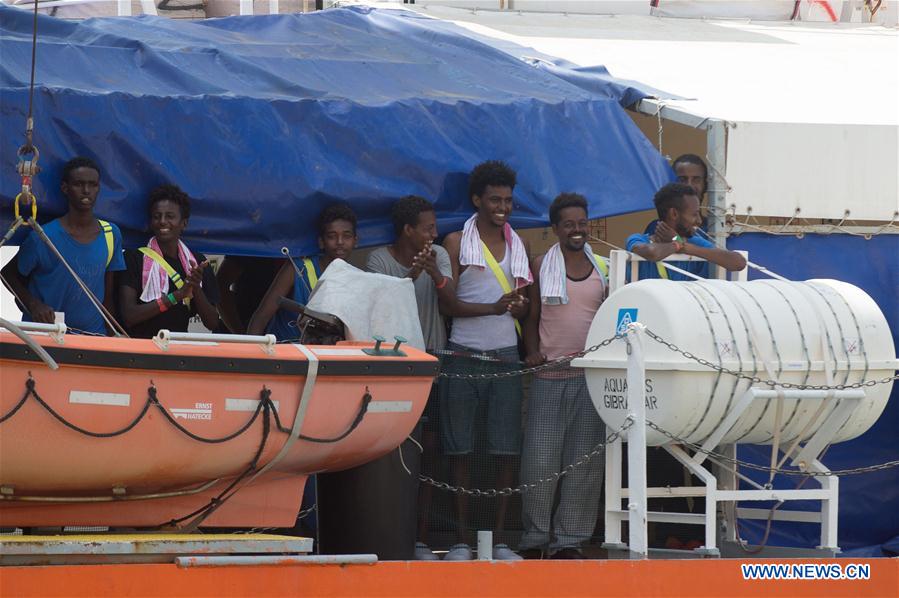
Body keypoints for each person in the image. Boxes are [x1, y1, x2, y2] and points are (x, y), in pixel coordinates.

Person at [439, 160, 532, 561]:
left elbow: (528, 309)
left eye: (508, 200)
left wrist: (518, 308)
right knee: (458, 452)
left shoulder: (519, 244)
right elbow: (448, 304)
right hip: (461, 355)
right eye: (495, 199)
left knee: (505, 452)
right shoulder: (455, 243)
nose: (503, 207)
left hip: (506, 357)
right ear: (476, 200)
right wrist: (495, 308)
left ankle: (499, 541)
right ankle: (461, 540)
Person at [365, 195, 455, 561]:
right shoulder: (377, 259)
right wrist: (411, 276)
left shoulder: (441, 256)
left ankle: (419, 537)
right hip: (394, 371)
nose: (435, 234)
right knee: (390, 451)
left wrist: (433, 273)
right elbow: (381, 306)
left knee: (428, 453)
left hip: (432, 368)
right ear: (407, 230)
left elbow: (453, 302)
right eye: (428, 228)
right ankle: (387, 534)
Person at [519, 193, 607, 560]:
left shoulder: (604, 267)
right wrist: (531, 352)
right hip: (548, 376)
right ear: (555, 229)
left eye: (582, 223)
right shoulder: (540, 265)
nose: (577, 230)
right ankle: (535, 540)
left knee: (584, 464)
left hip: (590, 379)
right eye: (568, 224)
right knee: (539, 462)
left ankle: (569, 541)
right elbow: (531, 316)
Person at [1, 156, 125, 334]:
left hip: (93, 336)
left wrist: (111, 336)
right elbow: (8, 274)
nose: (86, 190)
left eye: (93, 184)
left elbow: (108, 295)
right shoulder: (43, 237)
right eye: (79, 184)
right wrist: (34, 305)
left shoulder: (111, 234)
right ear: (65, 188)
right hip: (46, 335)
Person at [117, 185, 219, 338]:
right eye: (157, 216)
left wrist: (195, 287)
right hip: (140, 352)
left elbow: (212, 323)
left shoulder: (197, 263)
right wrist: (177, 296)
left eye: (170, 216)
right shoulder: (134, 258)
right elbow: (130, 316)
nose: (162, 221)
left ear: (184, 223)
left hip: (177, 353)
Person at [247, 203, 357, 338]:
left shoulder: (356, 279)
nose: (340, 242)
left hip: (325, 356)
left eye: (347, 236)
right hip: (287, 353)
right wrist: (253, 354)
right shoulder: (298, 268)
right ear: (321, 242)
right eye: (332, 236)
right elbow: (261, 317)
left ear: (355, 241)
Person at [627, 183, 746, 281]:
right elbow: (652, 253)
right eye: (694, 214)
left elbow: (738, 263)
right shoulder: (638, 239)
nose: (699, 221)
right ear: (674, 214)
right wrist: (677, 243)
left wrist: (685, 247)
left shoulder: (693, 242)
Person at [214, 256, 284, 334]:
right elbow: (220, 285)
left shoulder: (295, 257)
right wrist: (240, 334)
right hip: (243, 327)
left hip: (285, 333)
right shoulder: (254, 248)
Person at [645, 154, 709, 236]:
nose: (689, 185)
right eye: (682, 179)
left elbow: (684, 245)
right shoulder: (658, 227)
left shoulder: (717, 229)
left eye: (696, 180)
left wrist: (676, 239)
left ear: (705, 185)